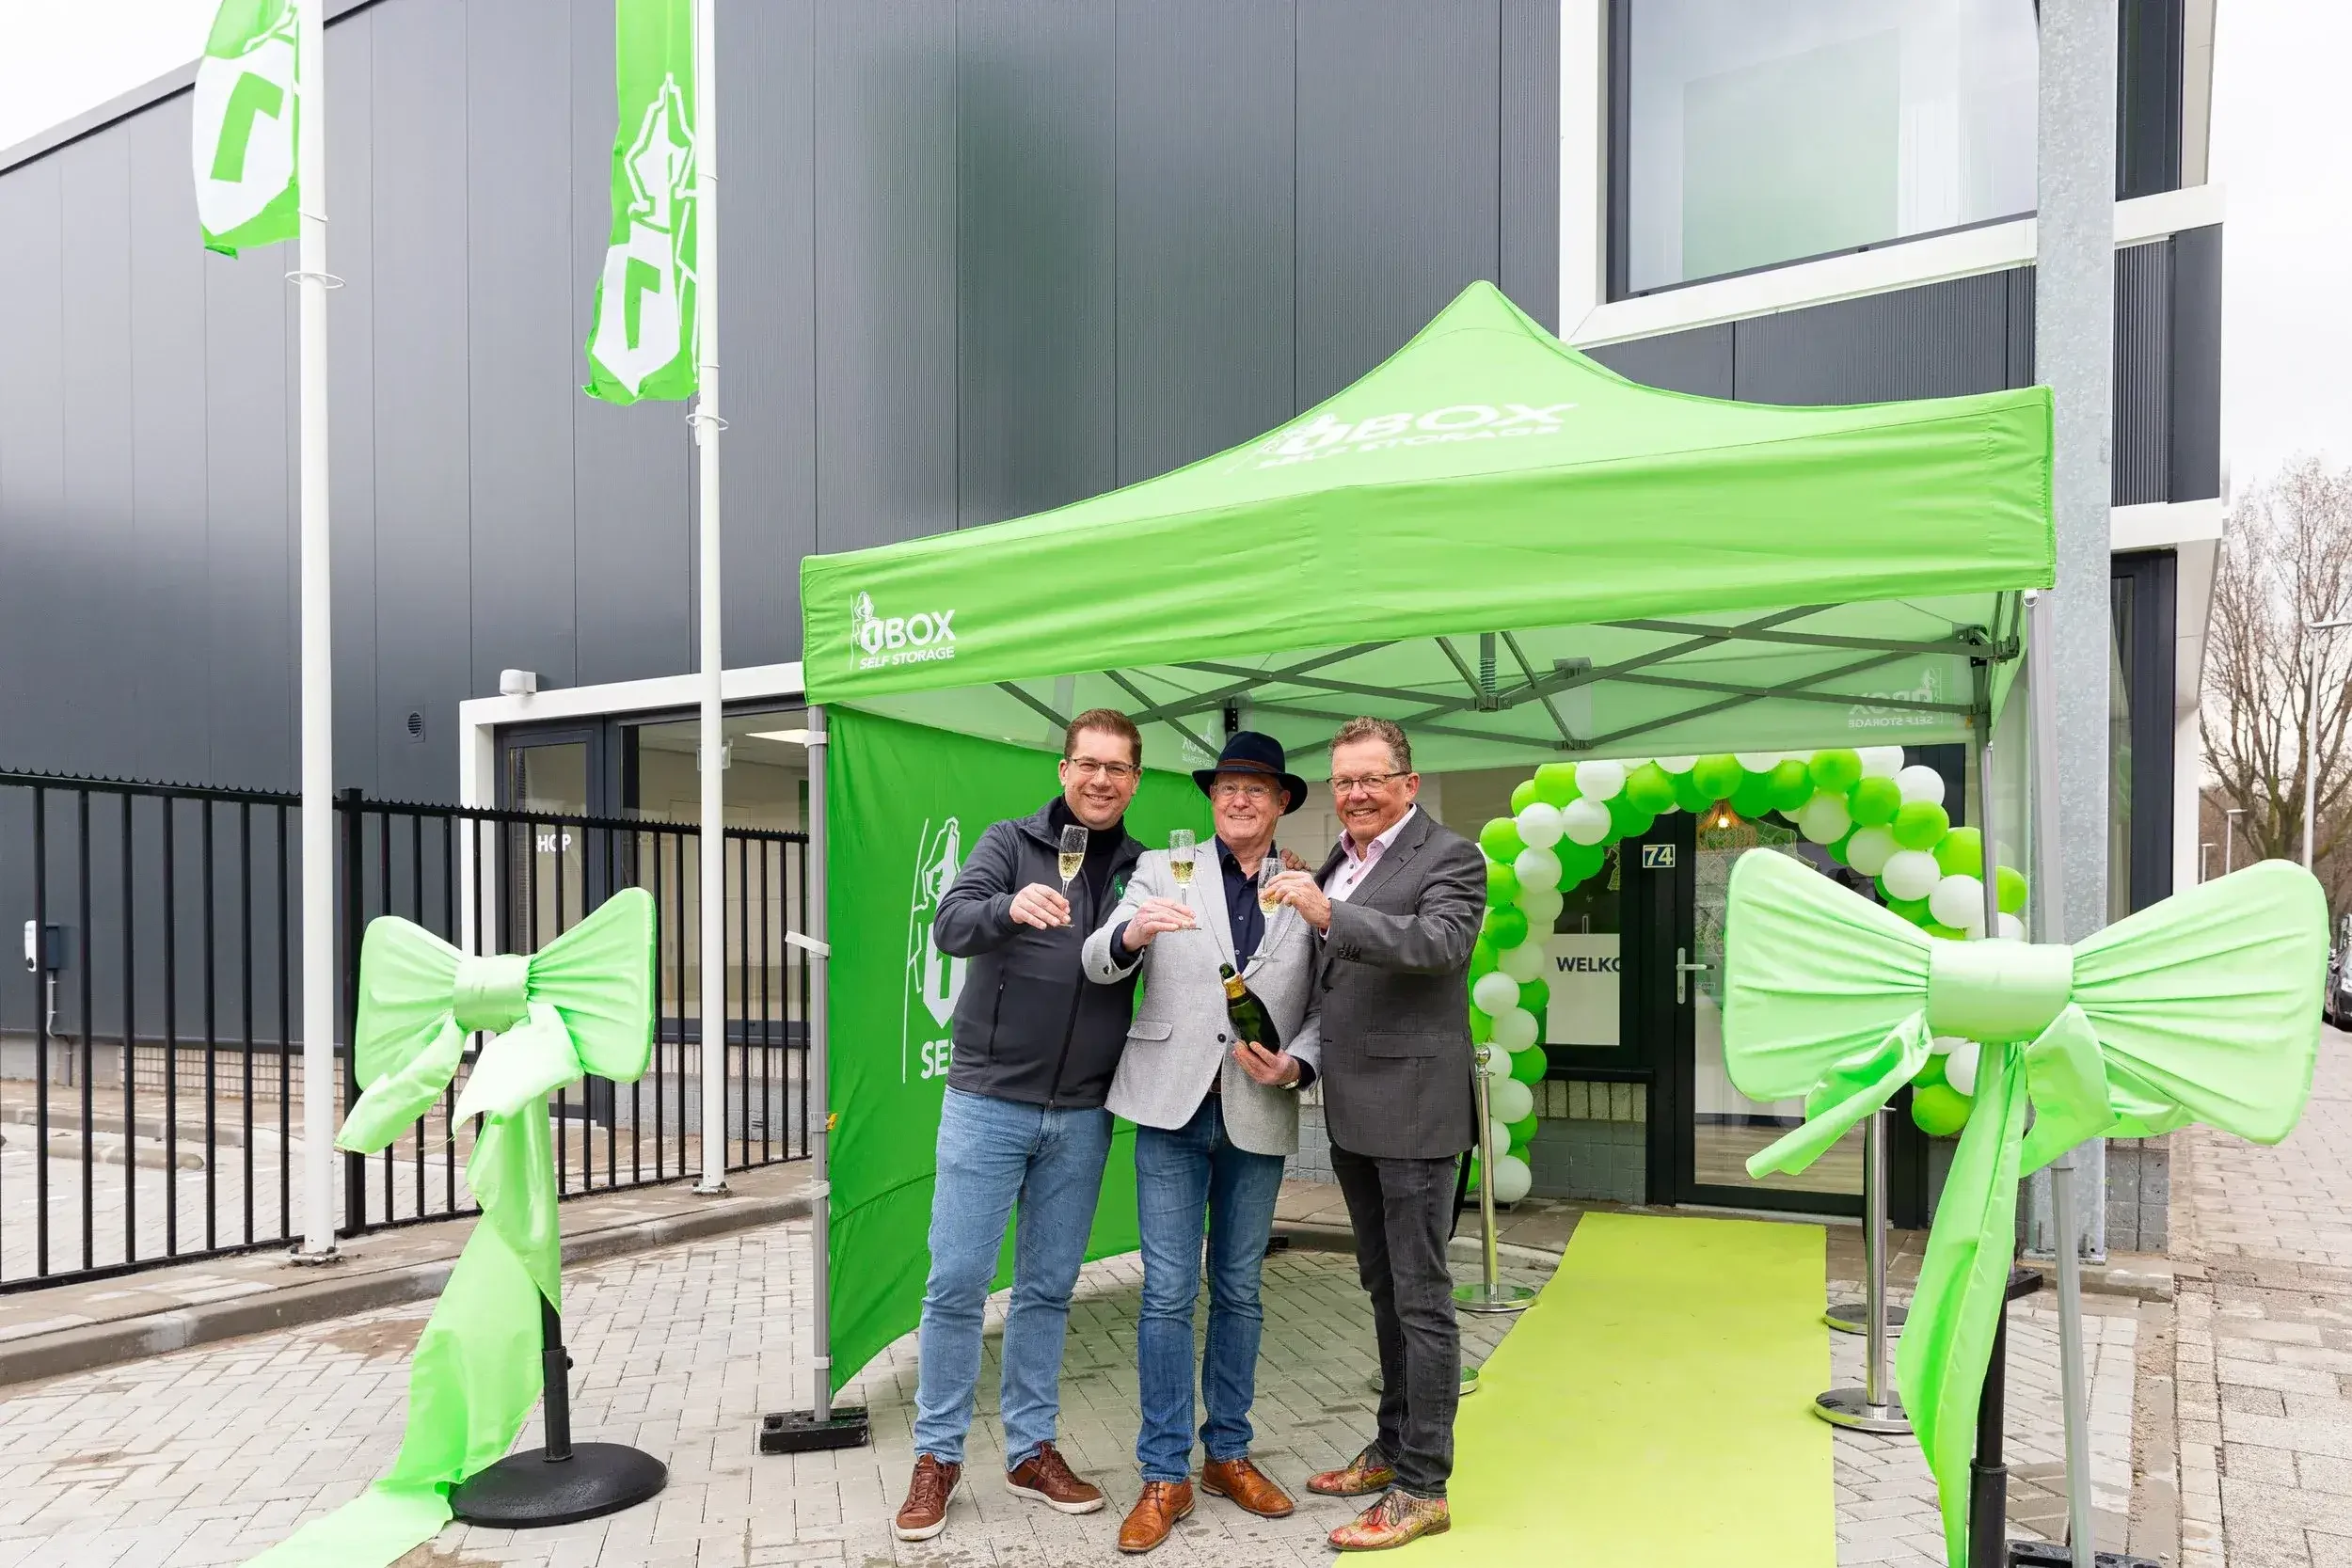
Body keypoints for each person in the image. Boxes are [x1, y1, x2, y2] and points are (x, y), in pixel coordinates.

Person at [893, 708, 1151, 1544]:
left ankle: (1031, 1448)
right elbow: (951, 924)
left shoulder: (1145, 867)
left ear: (1135, 779)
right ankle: (936, 1456)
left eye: (1117, 767)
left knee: (1046, 1288)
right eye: (1088, 763)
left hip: (1082, 1111)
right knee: (958, 1282)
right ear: (1064, 768)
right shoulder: (1010, 841)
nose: (1101, 779)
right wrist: (1008, 906)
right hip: (988, 1100)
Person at [1080, 732, 1326, 1554]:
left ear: (1283, 800)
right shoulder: (1160, 870)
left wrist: (1302, 1061)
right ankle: (1163, 1473)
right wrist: (1130, 935)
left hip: (1257, 1106)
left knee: (1242, 1291)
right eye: (1227, 785)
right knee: (1165, 1292)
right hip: (1170, 1105)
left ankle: (1228, 1452)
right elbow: (1097, 959)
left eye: (1257, 787)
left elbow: (1330, 1002)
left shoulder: (1308, 887)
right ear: (1211, 797)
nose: (1239, 798)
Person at [1266, 716, 1485, 1552]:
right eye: (1343, 780)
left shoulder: (1450, 857)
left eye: (1370, 778)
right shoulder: (1339, 859)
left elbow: (1439, 943)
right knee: (1384, 1289)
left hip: (1421, 1112)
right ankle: (1393, 1443)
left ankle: (1425, 1484)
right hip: (1355, 1111)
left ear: (1408, 784)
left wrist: (1329, 911)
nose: (1354, 793)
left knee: (1424, 1300)